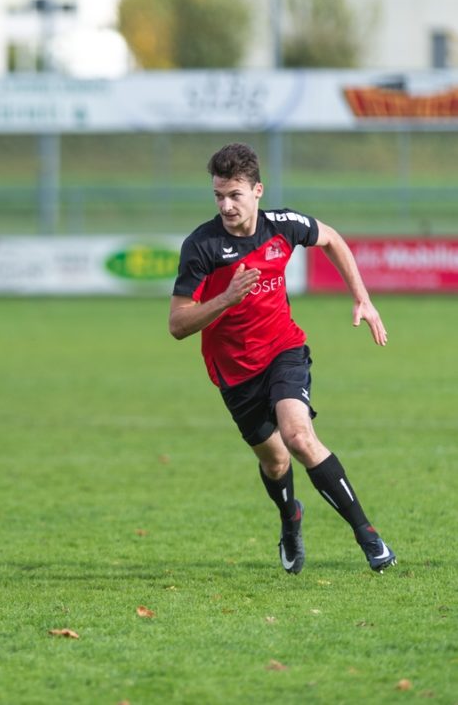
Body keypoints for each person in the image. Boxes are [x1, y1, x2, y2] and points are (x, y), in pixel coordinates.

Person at [168, 142, 396, 574]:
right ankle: (291, 519)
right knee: (275, 462)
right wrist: (226, 298)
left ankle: (369, 537)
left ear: (257, 190)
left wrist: (363, 299)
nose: (226, 204)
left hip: (283, 351)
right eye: (218, 195)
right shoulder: (202, 246)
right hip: (233, 373)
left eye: (235, 194)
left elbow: (332, 238)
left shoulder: (283, 226)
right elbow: (178, 324)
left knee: (299, 437)